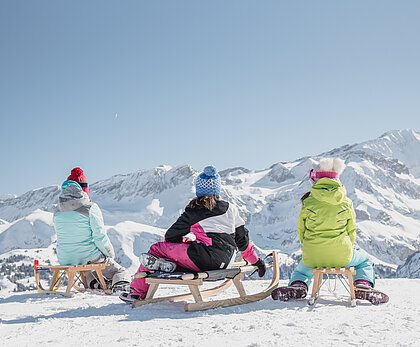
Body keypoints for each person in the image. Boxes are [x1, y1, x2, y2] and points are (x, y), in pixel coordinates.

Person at [120, 165, 266, 303]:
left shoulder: (195, 210)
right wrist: (256, 262)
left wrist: (184, 243)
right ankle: (174, 263)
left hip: (203, 261)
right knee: (191, 250)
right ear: (217, 190)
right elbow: (242, 241)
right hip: (227, 262)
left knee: (157, 249)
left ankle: (137, 292)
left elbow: (170, 237)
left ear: (199, 190)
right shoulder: (231, 209)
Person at [271, 158, 389, 304]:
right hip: (342, 254)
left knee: (302, 269)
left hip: (313, 254)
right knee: (365, 261)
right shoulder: (346, 202)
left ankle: (298, 286)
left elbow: (301, 230)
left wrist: (309, 247)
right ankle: (362, 285)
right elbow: (351, 230)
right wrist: (346, 248)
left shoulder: (307, 202)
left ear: (315, 181)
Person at [53, 167, 131, 292]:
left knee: (87, 270)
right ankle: (121, 285)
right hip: (88, 255)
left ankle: (96, 284)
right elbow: (99, 236)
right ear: (84, 189)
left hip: (65, 257)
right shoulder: (90, 208)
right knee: (120, 271)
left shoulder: (57, 210)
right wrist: (109, 254)